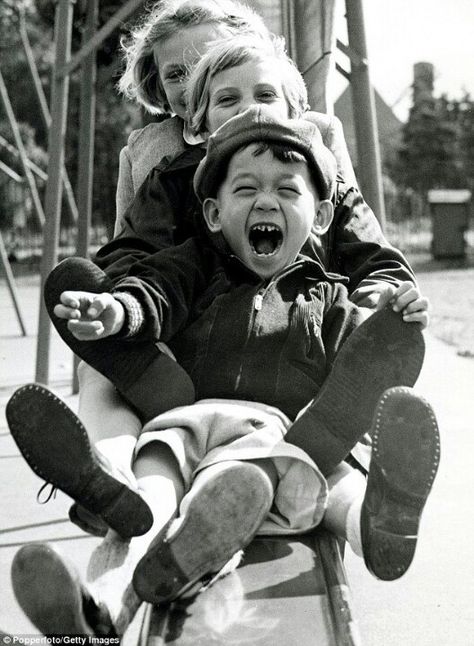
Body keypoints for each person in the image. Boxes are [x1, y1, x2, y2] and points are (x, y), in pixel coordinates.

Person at [8, 108, 440, 637]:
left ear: (321, 217)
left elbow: (365, 361)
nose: (266, 200)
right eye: (245, 190)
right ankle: (93, 611)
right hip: (189, 424)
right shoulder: (193, 266)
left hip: (284, 440)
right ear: (212, 213)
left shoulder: (329, 297)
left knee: (330, 475)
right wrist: (117, 312)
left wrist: (394, 322)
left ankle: (376, 524)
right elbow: (153, 293)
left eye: (287, 189)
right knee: (147, 506)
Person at [41, 33, 420, 539]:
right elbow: (146, 262)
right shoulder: (175, 189)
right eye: (228, 99)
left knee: (336, 423)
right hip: (188, 342)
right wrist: (120, 307)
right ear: (197, 127)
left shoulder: (323, 195)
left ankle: (369, 514)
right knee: (121, 388)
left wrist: (382, 305)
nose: (249, 109)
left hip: (296, 358)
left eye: (265, 97)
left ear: (295, 113)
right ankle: (113, 472)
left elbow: (375, 262)